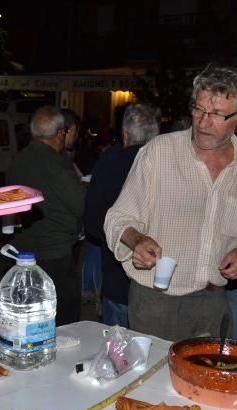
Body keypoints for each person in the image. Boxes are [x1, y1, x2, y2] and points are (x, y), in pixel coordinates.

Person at [104, 64, 237, 341]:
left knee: (206, 381)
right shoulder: (159, 152)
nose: (203, 122)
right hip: (154, 302)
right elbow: (118, 217)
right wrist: (136, 240)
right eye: (198, 109)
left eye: (217, 114)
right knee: (152, 381)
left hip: (212, 301)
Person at [83, 103, 161, 327]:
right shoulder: (168, 167)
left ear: (125, 135)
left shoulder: (109, 163)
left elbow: (94, 225)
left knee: (120, 355)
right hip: (159, 282)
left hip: (118, 279)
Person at [7, 105, 85, 325]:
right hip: (55, 252)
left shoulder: (18, 161)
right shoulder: (57, 164)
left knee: (30, 316)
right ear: (60, 133)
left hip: (24, 251)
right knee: (63, 321)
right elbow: (80, 206)